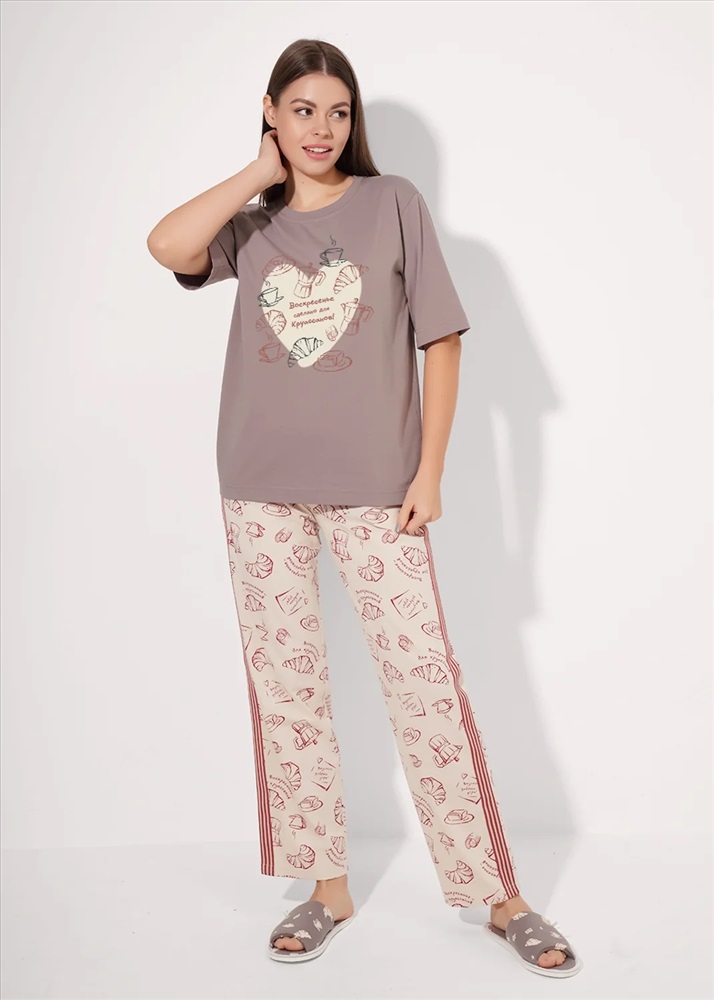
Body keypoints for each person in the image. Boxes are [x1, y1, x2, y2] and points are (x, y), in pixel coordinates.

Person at [146, 37, 582, 979]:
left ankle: (500, 897)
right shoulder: (251, 226)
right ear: (272, 114)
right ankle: (326, 887)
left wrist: (429, 472)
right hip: (259, 488)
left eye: (338, 111)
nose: (322, 128)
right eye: (302, 109)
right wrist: (257, 174)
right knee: (289, 694)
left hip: (379, 490)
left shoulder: (393, 205)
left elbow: (442, 341)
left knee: (426, 687)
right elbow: (167, 246)